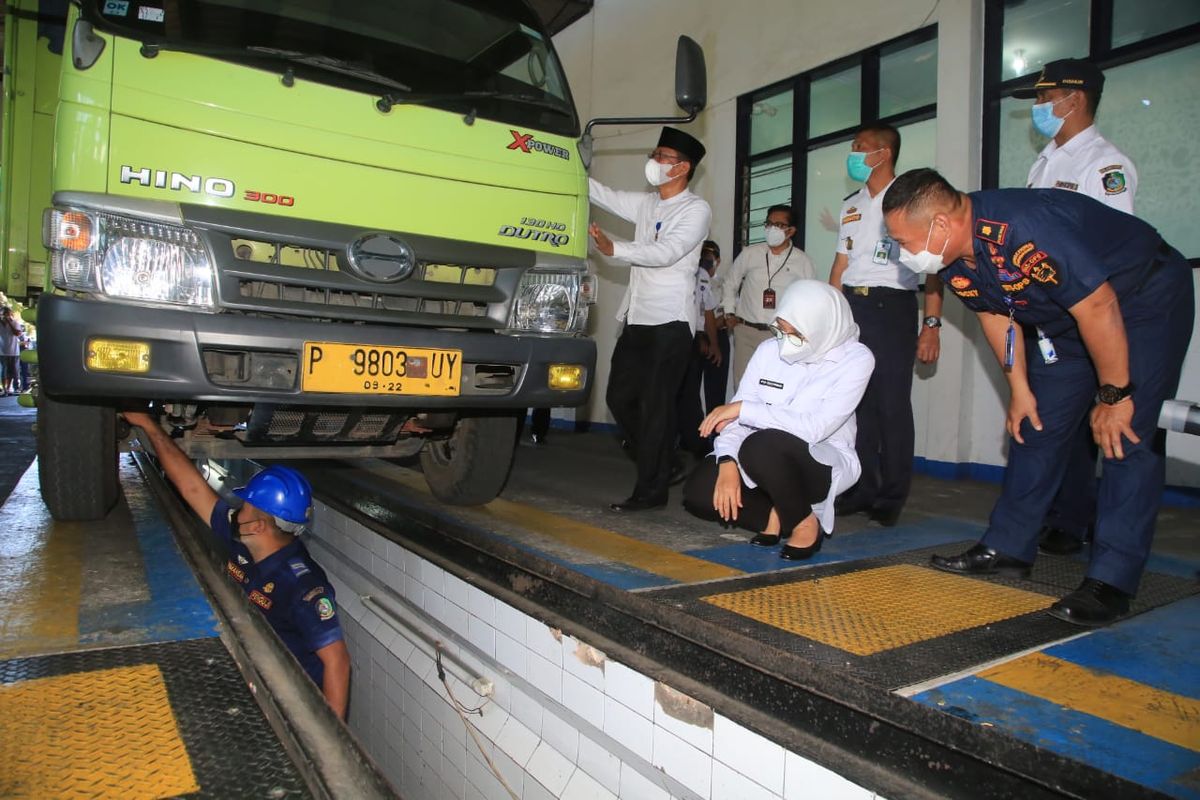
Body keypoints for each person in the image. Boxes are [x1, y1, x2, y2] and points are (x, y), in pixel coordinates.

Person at [882, 168, 1193, 626]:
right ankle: (1007, 547)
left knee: (1124, 433)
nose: (905, 255)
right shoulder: (951, 258)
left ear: (941, 225)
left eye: (906, 243)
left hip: (1140, 299)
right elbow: (995, 314)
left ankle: (1112, 579)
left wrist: (1113, 395)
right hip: (1065, 320)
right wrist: (1020, 389)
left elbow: (1099, 305)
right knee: (1034, 424)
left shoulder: (1025, 228)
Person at [124, 412, 352, 717]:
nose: (236, 513)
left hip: (289, 706)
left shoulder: (302, 586)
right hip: (254, 678)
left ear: (259, 526)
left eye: (244, 508)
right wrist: (150, 426)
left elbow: (337, 661)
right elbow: (192, 488)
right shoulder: (242, 538)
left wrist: (331, 741)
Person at [1014, 58, 1139, 556]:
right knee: (1047, 416)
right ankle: (1052, 512)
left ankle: (1074, 519)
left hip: (1081, 311)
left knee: (1082, 418)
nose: (1040, 109)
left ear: (1075, 99)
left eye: (1046, 99)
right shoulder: (1044, 162)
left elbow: (1114, 245)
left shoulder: (1105, 165)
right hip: (1043, 309)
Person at [683, 280, 874, 560]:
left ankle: (804, 522)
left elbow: (814, 428)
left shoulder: (857, 360)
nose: (785, 340)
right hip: (761, 455)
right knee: (700, 493)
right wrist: (726, 462)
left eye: (795, 333)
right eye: (780, 329)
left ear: (822, 328)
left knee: (761, 445)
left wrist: (744, 409)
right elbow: (738, 419)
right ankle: (778, 514)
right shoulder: (768, 351)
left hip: (817, 460)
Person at [588, 126, 712, 511]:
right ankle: (665, 463)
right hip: (638, 319)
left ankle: (651, 490)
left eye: (662, 157)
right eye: (655, 154)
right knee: (619, 398)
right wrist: (564, 163)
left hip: (671, 323)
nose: (653, 162)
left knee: (657, 406)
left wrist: (615, 247)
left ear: (682, 168)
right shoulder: (646, 204)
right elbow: (602, 194)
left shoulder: (696, 210)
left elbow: (668, 251)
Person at [829, 124, 944, 527]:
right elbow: (841, 266)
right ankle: (862, 487)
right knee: (858, 404)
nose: (854, 153)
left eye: (859, 147)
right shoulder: (852, 204)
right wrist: (833, 315)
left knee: (892, 405)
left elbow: (933, 270)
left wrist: (931, 325)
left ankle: (892, 496)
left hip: (893, 306)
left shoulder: (912, 198)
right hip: (854, 307)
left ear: (883, 152)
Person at [718, 205, 816, 386]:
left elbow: (810, 298)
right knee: (743, 385)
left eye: (778, 225)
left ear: (791, 231)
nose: (772, 229)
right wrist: (729, 312)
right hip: (746, 330)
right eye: (769, 223)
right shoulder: (750, 253)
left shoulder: (802, 261)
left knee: (775, 386)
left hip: (779, 334)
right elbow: (730, 282)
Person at [676, 240, 724, 458]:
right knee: (678, 392)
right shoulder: (681, 269)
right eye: (704, 253)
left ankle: (694, 443)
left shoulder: (703, 275)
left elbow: (708, 313)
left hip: (693, 339)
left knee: (690, 392)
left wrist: (712, 342)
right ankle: (685, 440)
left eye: (710, 254)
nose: (706, 258)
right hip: (675, 336)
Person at [699, 240, 730, 413]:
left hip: (718, 337)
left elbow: (729, 316)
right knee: (688, 389)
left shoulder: (725, 284)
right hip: (696, 338)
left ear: (718, 261)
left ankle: (715, 435)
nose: (706, 261)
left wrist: (722, 322)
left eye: (710, 258)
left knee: (716, 390)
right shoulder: (690, 279)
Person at [0, 307, 23, 397]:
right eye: (3, 314)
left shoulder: (15, 323)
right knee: (3, 371)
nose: (5, 316)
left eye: (6, 314)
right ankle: (4, 389)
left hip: (13, 351)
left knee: (12, 371)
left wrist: (9, 323)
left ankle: (9, 388)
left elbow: (17, 333)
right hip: (2, 351)